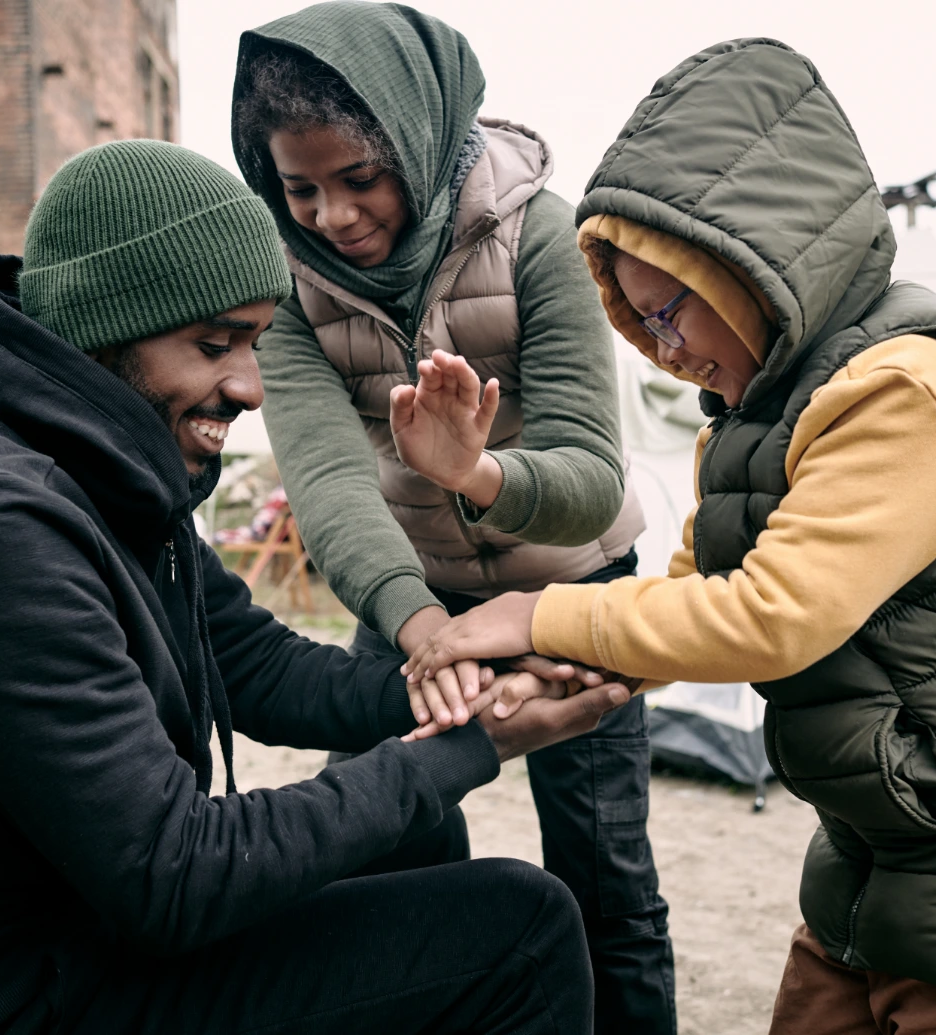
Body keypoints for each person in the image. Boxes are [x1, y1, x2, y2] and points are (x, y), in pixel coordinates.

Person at [0, 138, 634, 1035]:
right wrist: (474, 746)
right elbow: (174, 874)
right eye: (212, 344)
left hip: (84, 936)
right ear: (102, 334)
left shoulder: (104, 484)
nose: (249, 385)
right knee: (522, 929)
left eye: (256, 342)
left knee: (416, 837)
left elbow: (260, 668)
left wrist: (459, 676)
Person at [403, 38, 936, 1034]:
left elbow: (768, 618)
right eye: (645, 318)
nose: (668, 344)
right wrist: (553, 668)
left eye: (678, 304)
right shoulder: (753, 418)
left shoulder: (903, 387)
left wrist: (530, 607)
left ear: (762, 258)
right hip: (880, 841)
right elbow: (689, 594)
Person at [231, 6, 673, 1029]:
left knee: (604, 871)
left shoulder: (539, 233)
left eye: (358, 179)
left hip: (573, 582)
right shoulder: (287, 285)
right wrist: (424, 630)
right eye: (299, 188)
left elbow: (591, 480)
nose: (331, 216)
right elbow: (331, 479)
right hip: (413, 588)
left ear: (417, 142)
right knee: (385, 841)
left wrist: (476, 473)